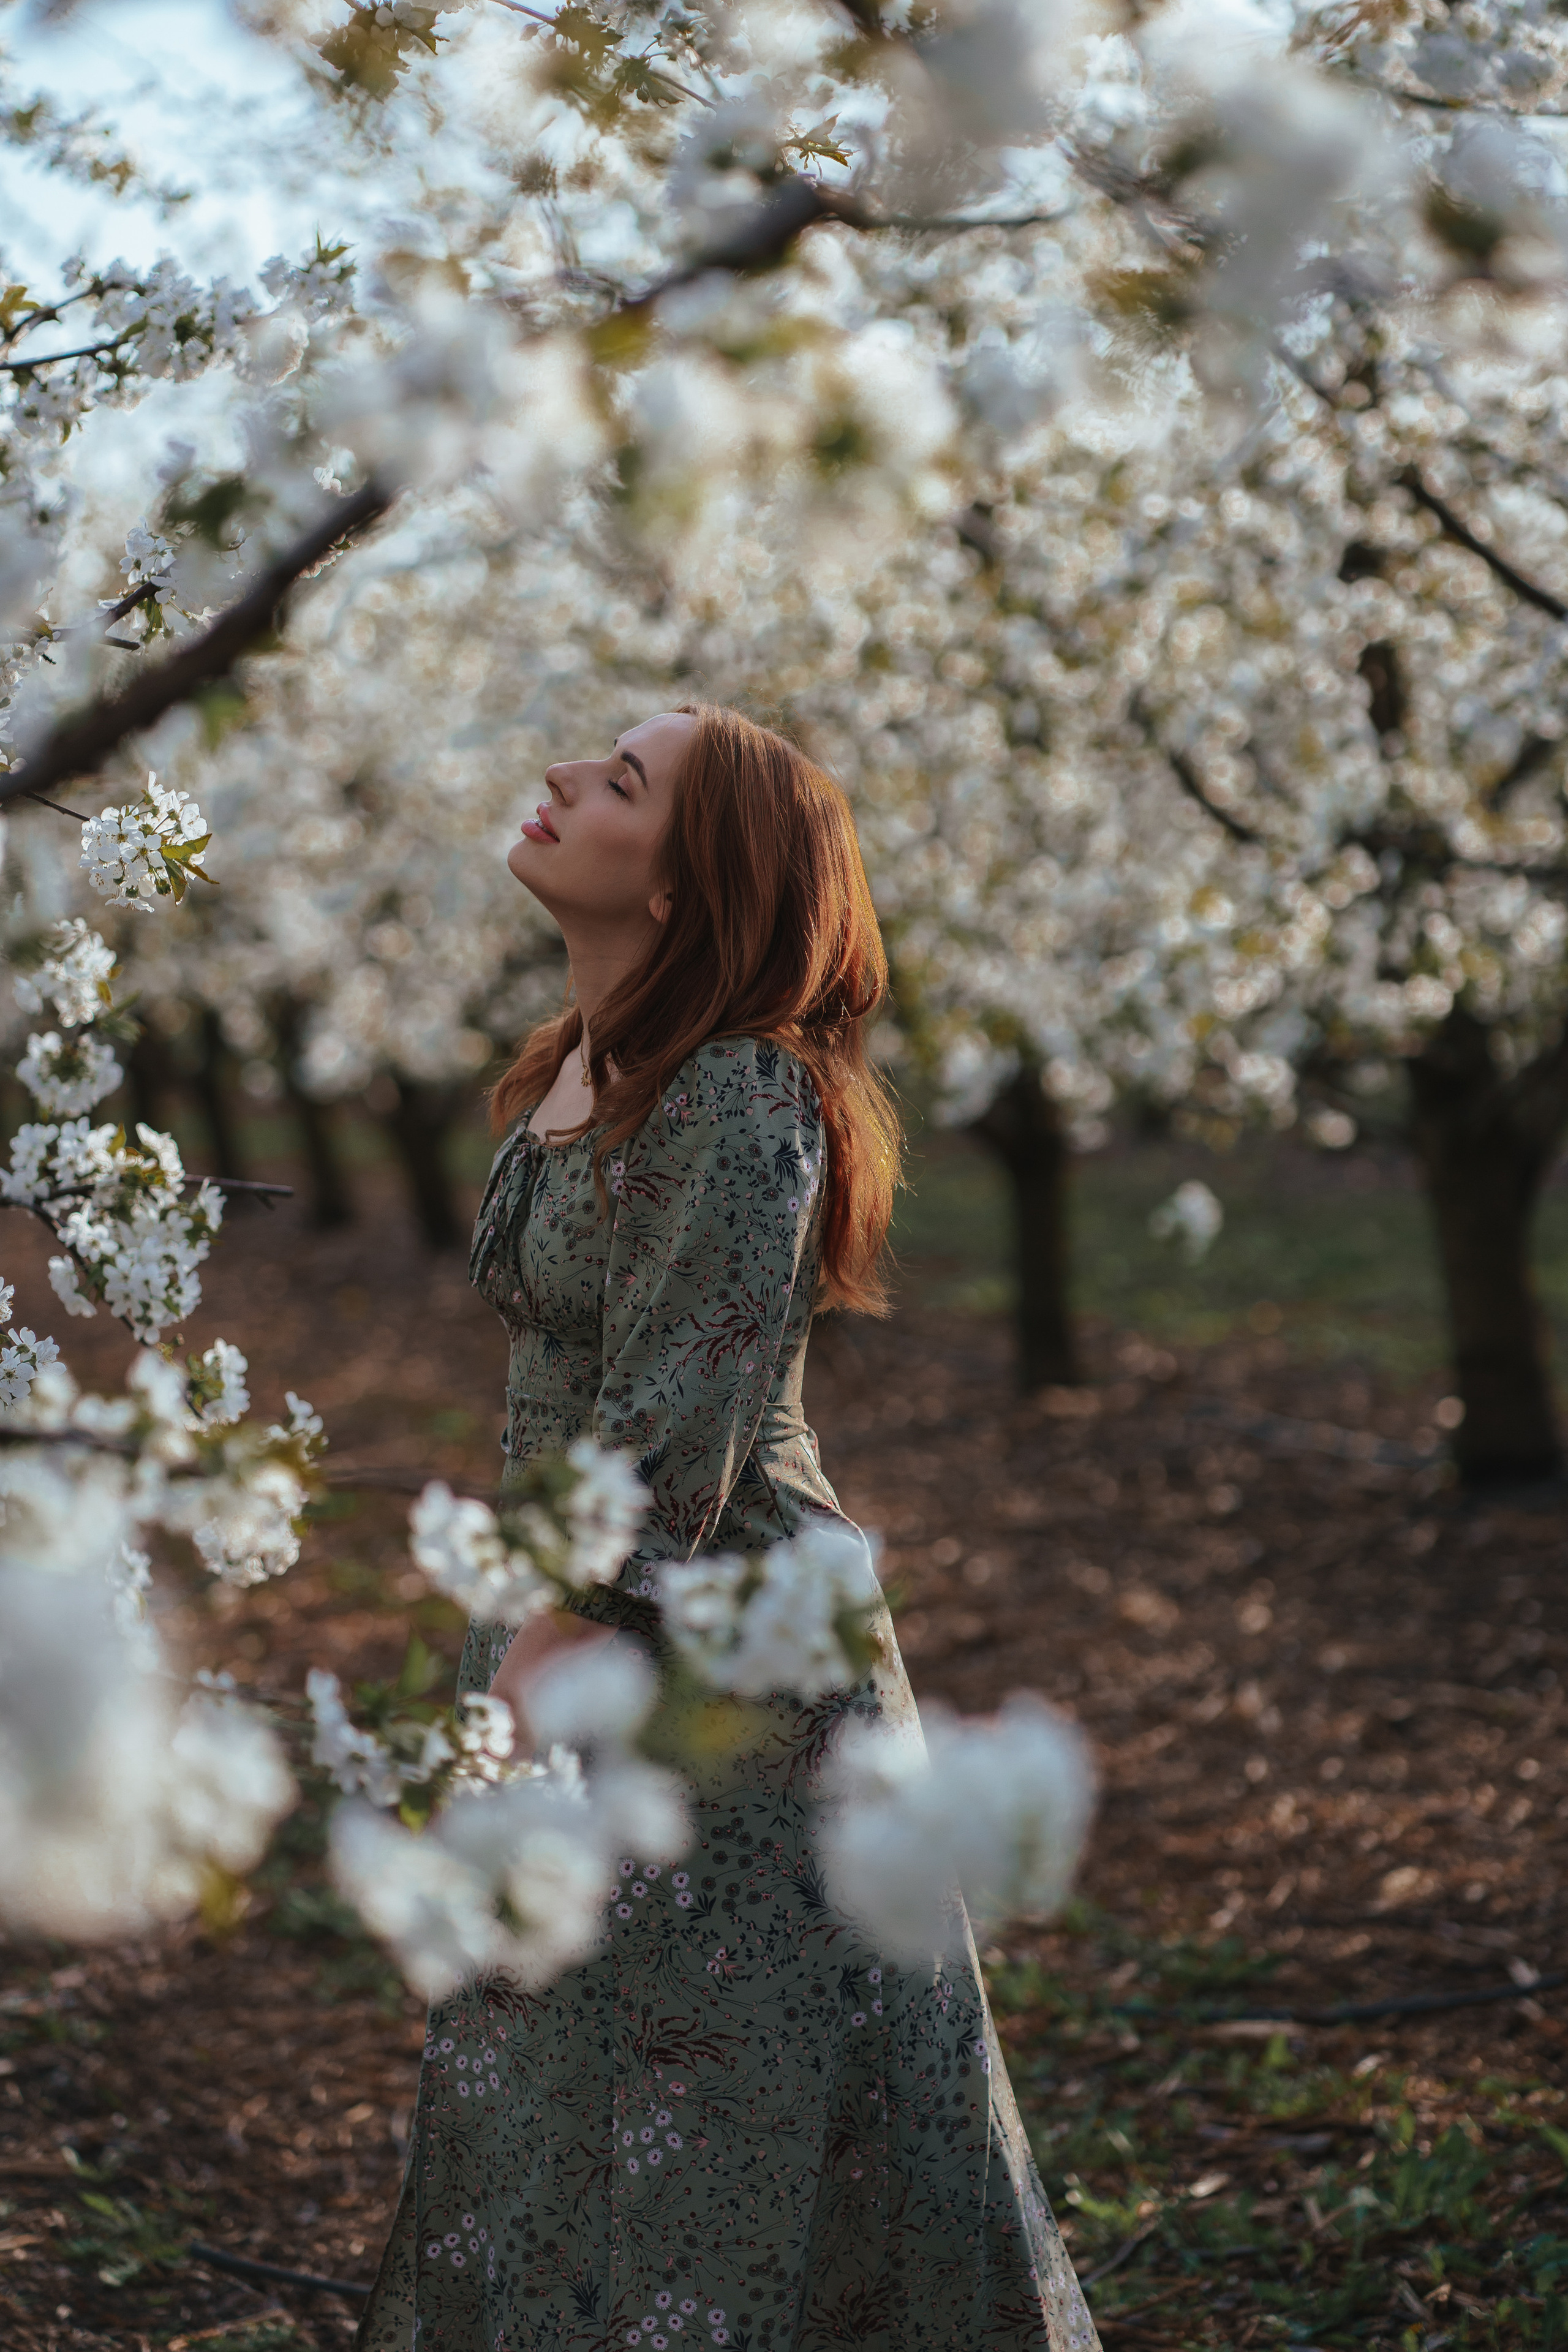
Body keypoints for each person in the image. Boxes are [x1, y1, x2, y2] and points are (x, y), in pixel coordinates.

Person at [356, 705, 1100, 2352]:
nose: (555, 777)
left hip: (714, 1640)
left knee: (742, 2095)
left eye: (621, 784)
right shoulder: (574, 1069)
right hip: (582, 1603)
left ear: (691, 886)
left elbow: (675, 1426)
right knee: (559, 2062)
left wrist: (536, 1660)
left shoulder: (741, 1092)